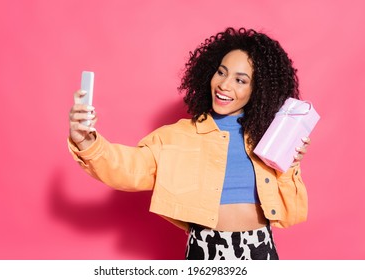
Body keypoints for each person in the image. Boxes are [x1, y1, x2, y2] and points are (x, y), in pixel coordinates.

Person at [68, 27, 311, 260]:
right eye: (221, 72)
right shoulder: (177, 136)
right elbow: (128, 168)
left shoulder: (268, 137)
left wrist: (290, 164)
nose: (224, 85)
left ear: (258, 89)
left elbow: (292, 213)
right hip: (204, 249)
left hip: (260, 249)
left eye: (240, 80)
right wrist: (88, 141)